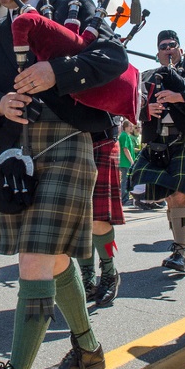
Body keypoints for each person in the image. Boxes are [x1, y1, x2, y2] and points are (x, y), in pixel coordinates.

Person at [0, 0, 127, 369]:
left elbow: (114, 59)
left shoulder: (72, 9)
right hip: (14, 147)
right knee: (53, 256)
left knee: (36, 256)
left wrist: (55, 71)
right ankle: (88, 349)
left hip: (67, 141)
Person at [129, 30, 185, 274]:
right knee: (165, 193)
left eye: (172, 45)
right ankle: (180, 235)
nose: (168, 49)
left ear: (180, 49)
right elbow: (134, 105)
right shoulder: (149, 77)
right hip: (157, 141)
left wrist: (178, 96)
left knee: (177, 194)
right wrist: (146, 110)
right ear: (158, 53)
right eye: (163, 46)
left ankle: (180, 250)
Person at [78, 118, 124, 307]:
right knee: (78, 221)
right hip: (71, 141)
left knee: (98, 219)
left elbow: (136, 95)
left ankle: (108, 272)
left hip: (103, 139)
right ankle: (87, 278)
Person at [118, 119, 136, 206]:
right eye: (130, 126)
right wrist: (132, 161)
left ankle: (125, 198)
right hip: (125, 162)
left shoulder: (127, 136)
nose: (132, 128)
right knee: (125, 181)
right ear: (125, 127)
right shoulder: (124, 136)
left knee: (126, 180)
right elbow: (125, 149)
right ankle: (123, 199)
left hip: (126, 162)